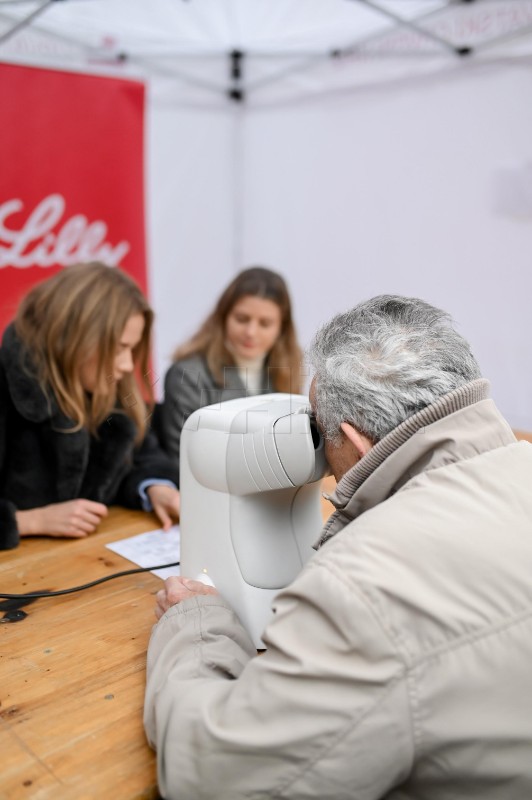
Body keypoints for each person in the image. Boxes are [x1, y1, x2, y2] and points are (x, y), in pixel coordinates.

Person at [144, 295, 532, 800]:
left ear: (353, 438)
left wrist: (196, 625)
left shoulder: (366, 588)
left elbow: (217, 777)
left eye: (323, 436)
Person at [0, 262, 180, 550]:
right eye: (118, 347)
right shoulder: (7, 387)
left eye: (131, 348)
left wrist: (156, 487)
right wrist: (30, 521)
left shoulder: (108, 382)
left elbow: (143, 455)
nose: (126, 364)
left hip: (90, 568)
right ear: (74, 338)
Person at [157, 266, 302, 469]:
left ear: (282, 328)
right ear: (223, 317)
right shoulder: (187, 375)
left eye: (265, 323)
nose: (251, 332)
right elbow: (183, 460)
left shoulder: (288, 371)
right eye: (242, 319)